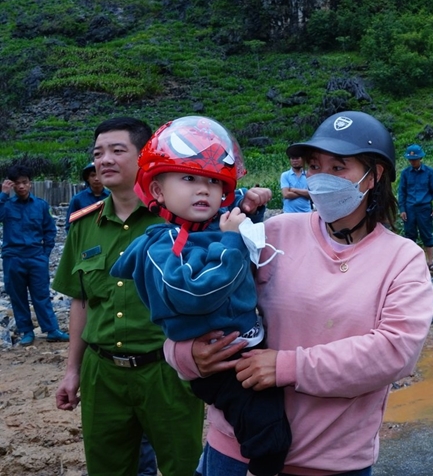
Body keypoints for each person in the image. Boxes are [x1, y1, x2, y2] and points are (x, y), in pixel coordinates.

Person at [164, 110, 433, 476]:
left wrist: (287, 366)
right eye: (315, 166)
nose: (322, 179)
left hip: (331, 462)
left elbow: (394, 352)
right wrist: (185, 354)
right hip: (235, 452)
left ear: (375, 176)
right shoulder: (276, 232)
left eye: (339, 168)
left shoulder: (401, 258)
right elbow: (201, 302)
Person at [52, 116, 272, 476]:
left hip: (165, 371)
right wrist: (72, 370)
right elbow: (81, 301)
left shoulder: (186, 217)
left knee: (181, 466)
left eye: (117, 150)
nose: (104, 160)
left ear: (146, 158)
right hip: (102, 372)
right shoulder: (83, 224)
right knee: (107, 468)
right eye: (98, 153)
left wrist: (250, 204)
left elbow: (233, 242)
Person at [110, 116, 290, 476]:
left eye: (213, 181)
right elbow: (192, 293)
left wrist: (252, 206)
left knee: (270, 427)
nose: (203, 190)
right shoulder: (158, 246)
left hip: (240, 350)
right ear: (158, 192)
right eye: (189, 178)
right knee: (270, 439)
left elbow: (231, 225)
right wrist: (233, 240)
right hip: (220, 363)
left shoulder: (210, 228)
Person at [0, 165, 68, 346]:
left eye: (24, 182)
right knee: (17, 295)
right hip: (13, 257)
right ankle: (27, 332)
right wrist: (3, 195)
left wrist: (44, 255)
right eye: (17, 184)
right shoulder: (6, 206)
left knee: (42, 294)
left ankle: (52, 329)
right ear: (12, 185)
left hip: (36, 256)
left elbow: (49, 231)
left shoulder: (40, 205)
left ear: (30, 184)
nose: (21, 187)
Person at [397, 144, 433, 271]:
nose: (413, 162)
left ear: (420, 158)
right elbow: (402, 192)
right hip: (410, 208)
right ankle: (411, 263)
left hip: (424, 208)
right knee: (410, 235)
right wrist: (402, 209)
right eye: (410, 160)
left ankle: (431, 262)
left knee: (427, 234)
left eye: (415, 159)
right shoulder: (405, 173)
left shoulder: (428, 172)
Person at [65, 162, 110, 231]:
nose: (96, 179)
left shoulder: (112, 197)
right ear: (87, 178)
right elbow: (70, 225)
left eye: (99, 175)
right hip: (85, 238)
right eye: (93, 175)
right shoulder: (78, 199)